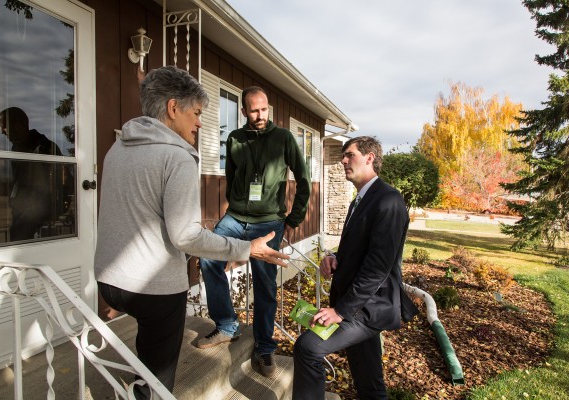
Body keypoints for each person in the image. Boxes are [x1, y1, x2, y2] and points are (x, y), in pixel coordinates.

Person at [94, 67, 289, 399]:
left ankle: (137, 384)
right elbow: (186, 236)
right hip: (153, 290)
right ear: (173, 109)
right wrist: (247, 249)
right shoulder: (177, 157)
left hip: (110, 282)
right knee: (158, 381)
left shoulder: (118, 148)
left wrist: (117, 293)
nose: (199, 123)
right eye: (196, 113)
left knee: (146, 351)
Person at [292, 136, 418, 400]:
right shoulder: (359, 199)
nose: (344, 161)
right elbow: (363, 249)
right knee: (369, 382)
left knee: (308, 347)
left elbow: (378, 268)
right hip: (355, 304)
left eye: (350, 155)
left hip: (369, 307)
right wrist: (334, 256)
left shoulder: (388, 200)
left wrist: (340, 311)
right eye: (343, 156)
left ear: (369, 157)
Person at [197, 86, 311, 376]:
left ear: (268, 108)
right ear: (244, 111)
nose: (260, 116)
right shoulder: (235, 139)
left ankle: (264, 348)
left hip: (269, 220)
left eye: (264, 109)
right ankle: (226, 325)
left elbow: (304, 179)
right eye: (254, 110)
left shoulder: (284, 138)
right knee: (208, 258)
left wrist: (293, 219)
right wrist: (234, 206)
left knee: (264, 284)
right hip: (235, 217)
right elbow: (232, 176)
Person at [0, 107, 64, 241]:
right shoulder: (16, 148)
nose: (1, 132)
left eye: (4, 127)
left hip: (36, 217)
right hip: (22, 213)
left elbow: (60, 184)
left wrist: (51, 212)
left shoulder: (44, 148)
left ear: (16, 125)